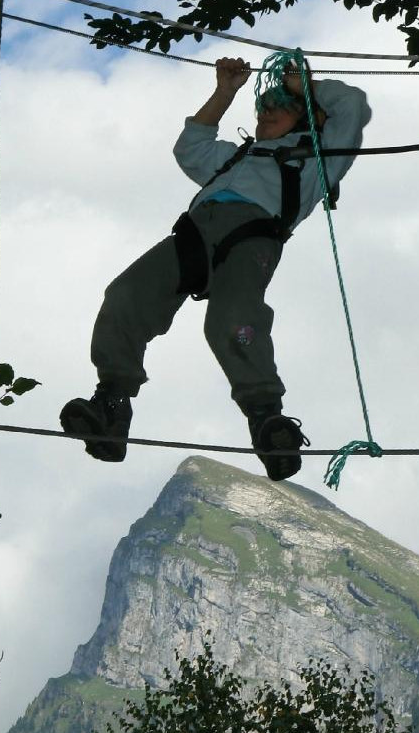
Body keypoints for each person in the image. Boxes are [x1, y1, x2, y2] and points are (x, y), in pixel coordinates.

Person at [60, 56, 371, 481]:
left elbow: (351, 104)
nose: (266, 113)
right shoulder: (234, 158)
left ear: (310, 120)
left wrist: (305, 87)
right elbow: (190, 148)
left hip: (252, 235)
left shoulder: (318, 158)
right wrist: (225, 93)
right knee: (125, 298)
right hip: (193, 234)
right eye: (263, 108)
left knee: (231, 319)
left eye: (280, 107)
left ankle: (266, 418)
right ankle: (111, 406)